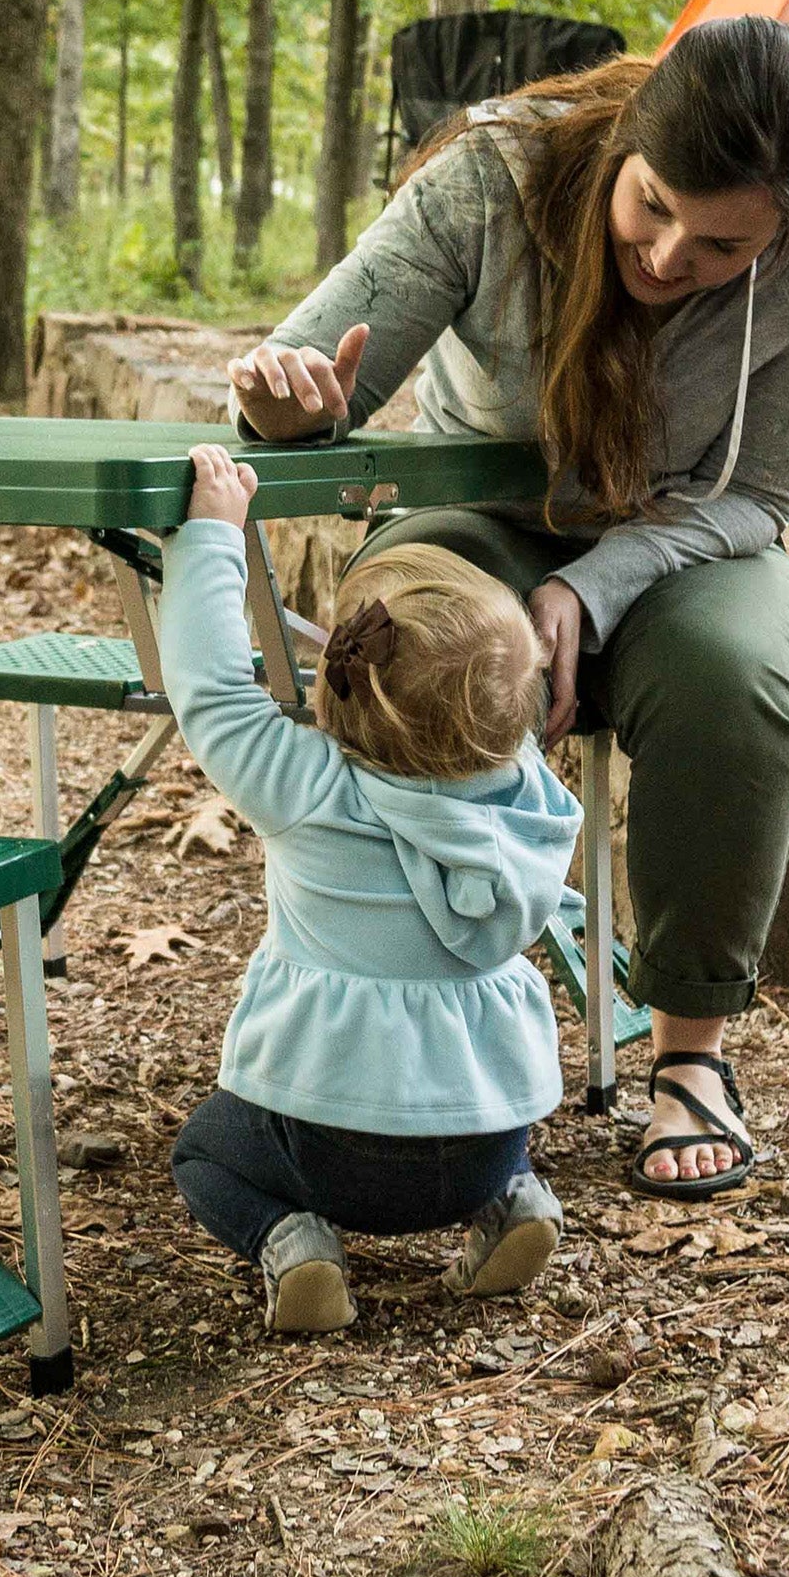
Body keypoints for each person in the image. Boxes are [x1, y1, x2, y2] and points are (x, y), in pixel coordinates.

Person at [229, 16, 789, 1199]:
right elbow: (309, 387)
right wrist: (289, 408)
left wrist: (583, 589)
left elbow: (760, 494)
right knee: (405, 644)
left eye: (722, 242)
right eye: (652, 209)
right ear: (625, 142)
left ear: (786, 230)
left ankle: (691, 1057)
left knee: (726, 679)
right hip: (474, 507)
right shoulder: (493, 172)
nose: (672, 255)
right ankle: (380, 1033)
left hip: (691, 536)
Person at [160, 445, 581, 1330]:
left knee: (202, 1151)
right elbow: (476, 707)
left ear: (343, 679)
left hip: (325, 1143)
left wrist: (211, 535)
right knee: (487, 1150)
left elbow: (208, 689)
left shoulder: (307, 790)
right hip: (484, 1136)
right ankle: (512, 1199)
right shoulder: (530, 799)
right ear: (523, 711)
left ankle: (291, 1240)